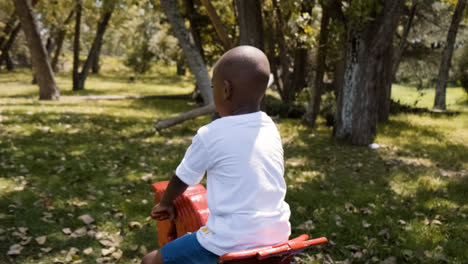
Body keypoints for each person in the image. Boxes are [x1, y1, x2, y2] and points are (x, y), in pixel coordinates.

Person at [142, 45, 291, 264]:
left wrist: (165, 203)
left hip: (226, 243)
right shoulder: (270, 128)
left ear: (225, 90)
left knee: (149, 261)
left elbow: (183, 178)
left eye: (213, 87)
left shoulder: (211, 133)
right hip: (277, 239)